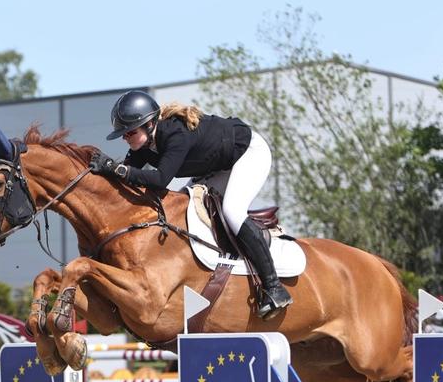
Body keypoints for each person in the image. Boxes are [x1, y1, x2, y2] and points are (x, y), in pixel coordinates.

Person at [89, 89, 292, 319]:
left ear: (149, 124)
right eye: (123, 134)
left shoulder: (175, 134)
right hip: (216, 166)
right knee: (180, 210)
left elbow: (160, 180)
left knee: (232, 212)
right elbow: (126, 176)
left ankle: (274, 287)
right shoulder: (143, 146)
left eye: (129, 132)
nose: (125, 138)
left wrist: (115, 168)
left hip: (247, 153)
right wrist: (101, 173)